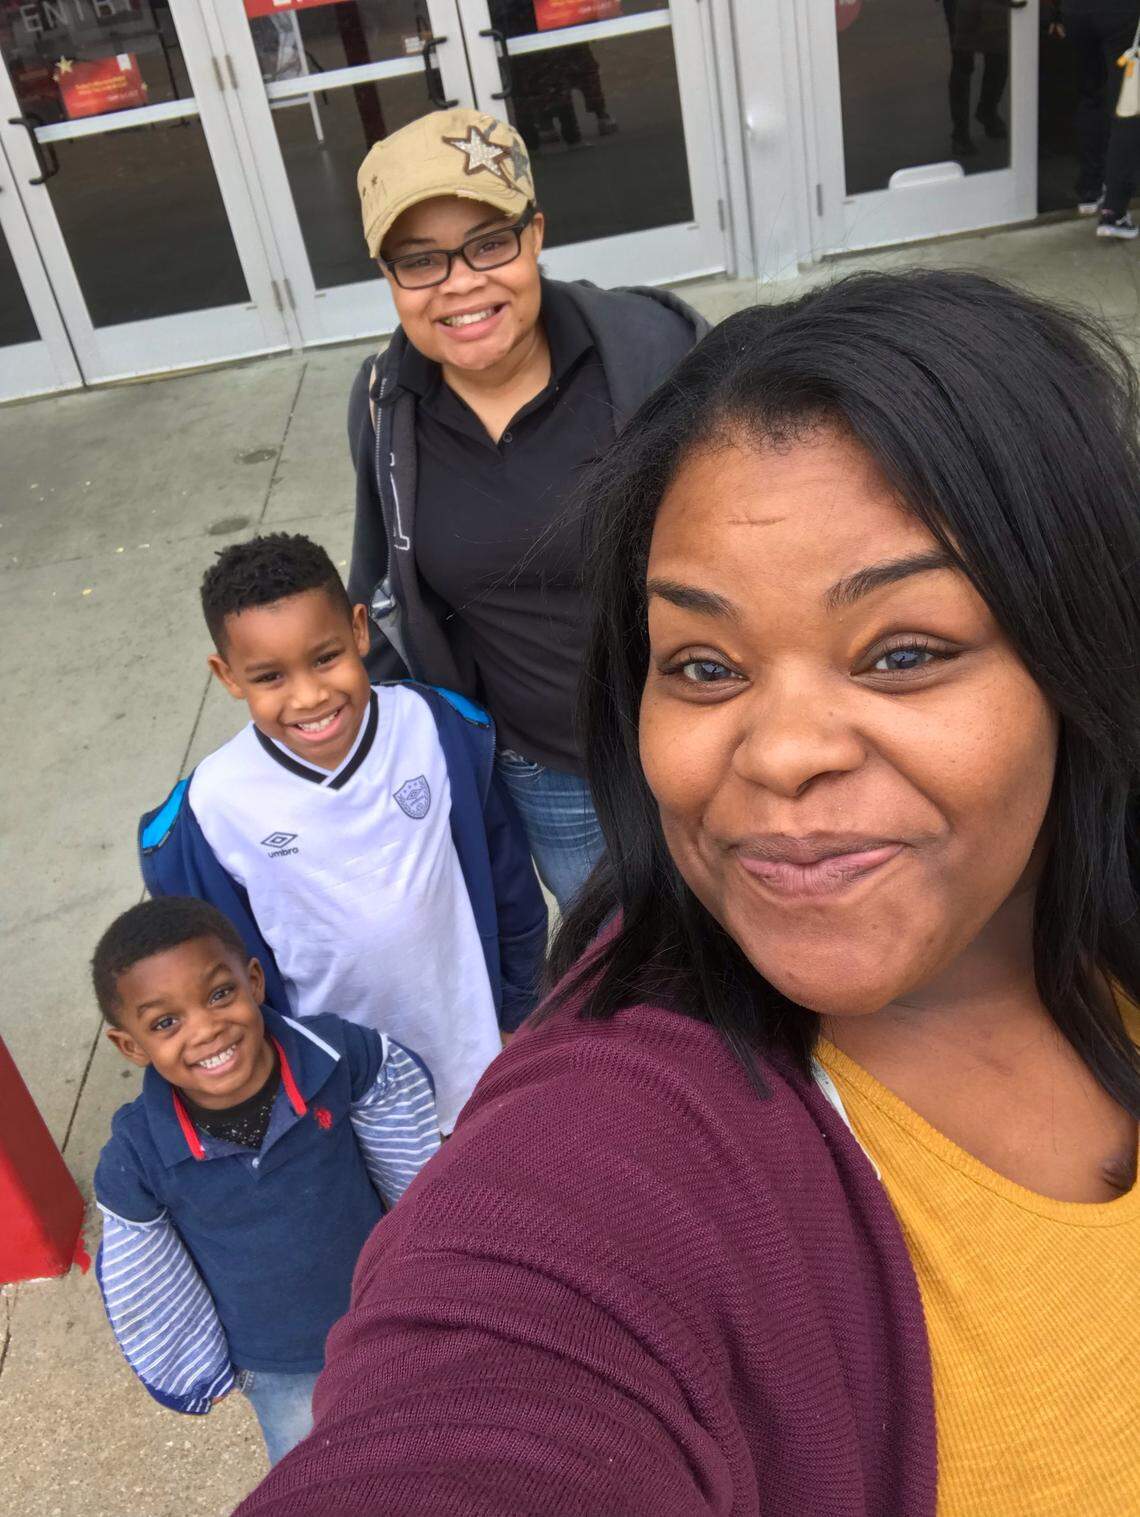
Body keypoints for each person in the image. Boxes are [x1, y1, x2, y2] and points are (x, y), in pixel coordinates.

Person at [236, 270, 1140, 1516]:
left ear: (1082, 647)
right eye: (704, 664)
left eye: (906, 651)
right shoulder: (615, 1147)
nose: (778, 752)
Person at [348, 106, 707, 911]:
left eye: (488, 243)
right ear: (389, 279)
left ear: (534, 234)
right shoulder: (384, 404)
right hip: (549, 775)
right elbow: (379, 587)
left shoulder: (654, 355)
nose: (461, 282)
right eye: (421, 261)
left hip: (706, 740)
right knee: (630, 980)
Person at [138, 532, 546, 1134]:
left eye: (325, 657)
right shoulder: (208, 814)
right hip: (343, 1097)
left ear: (360, 630)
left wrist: (518, 1010)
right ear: (227, 675)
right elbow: (218, 982)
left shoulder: (440, 730)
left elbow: (512, 890)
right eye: (270, 677)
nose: (309, 696)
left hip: (477, 1052)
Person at [91, 896, 439, 1464]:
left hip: (389, 1312)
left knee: (429, 1440)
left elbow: (411, 1154)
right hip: (279, 1366)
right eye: (166, 1022)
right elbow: (145, 1267)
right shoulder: (138, 1153)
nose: (205, 1029)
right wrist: (193, 1367)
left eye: (219, 993)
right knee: (318, 1478)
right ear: (131, 1045)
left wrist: (433, 1261)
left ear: (253, 981)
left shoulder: (336, 1058)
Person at [1052, 0, 1140, 236]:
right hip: (1122, 12)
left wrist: (1057, 12)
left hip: (1076, 12)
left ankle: (1090, 189)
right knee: (1127, 106)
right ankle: (1114, 211)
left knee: (1090, 96)